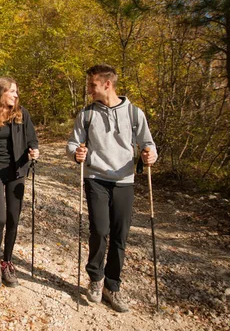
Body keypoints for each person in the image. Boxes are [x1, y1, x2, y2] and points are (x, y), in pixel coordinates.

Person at [66, 64, 157, 312]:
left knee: (120, 235)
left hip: (124, 181)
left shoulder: (135, 114)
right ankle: (96, 278)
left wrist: (150, 156)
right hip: (95, 178)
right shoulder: (86, 115)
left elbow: (148, 143)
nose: (89, 90)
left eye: (92, 85)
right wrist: (77, 153)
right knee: (99, 229)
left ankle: (112, 286)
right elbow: (73, 143)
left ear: (107, 84)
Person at [0, 76, 39, 288]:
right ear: (1, 92)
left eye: (17, 92)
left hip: (17, 170)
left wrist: (34, 151)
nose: (16, 95)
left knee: (13, 218)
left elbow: (32, 139)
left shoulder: (22, 114)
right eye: (12, 91)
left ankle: (7, 262)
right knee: (0, 218)